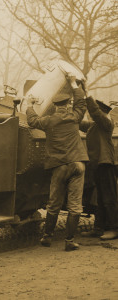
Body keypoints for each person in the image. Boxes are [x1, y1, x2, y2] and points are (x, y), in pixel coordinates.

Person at [26, 74, 88, 251]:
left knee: (54, 203)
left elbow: (32, 121)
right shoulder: (75, 117)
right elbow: (81, 102)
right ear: (68, 105)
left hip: (60, 165)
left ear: (54, 106)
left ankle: (47, 237)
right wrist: (74, 84)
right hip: (78, 163)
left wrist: (30, 105)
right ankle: (69, 241)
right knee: (75, 204)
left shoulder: (49, 121)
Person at [80, 97, 118, 240]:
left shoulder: (106, 123)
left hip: (106, 164)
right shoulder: (94, 125)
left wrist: (87, 96)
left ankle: (115, 228)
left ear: (102, 112)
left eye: (93, 111)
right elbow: (79, 122)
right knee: (101, 199)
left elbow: (95, 113)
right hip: (98, 165)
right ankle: (98, 228)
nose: (90, 114)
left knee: (110, 198)